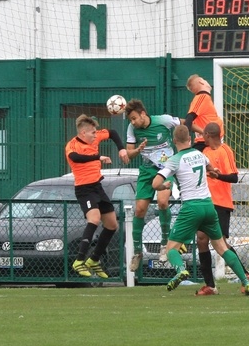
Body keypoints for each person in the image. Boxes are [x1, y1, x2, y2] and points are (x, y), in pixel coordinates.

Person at [152, 125, 249, 295]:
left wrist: (164, 185)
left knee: (171, 249)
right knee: (222, 247)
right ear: (190, 140)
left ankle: (180, 271)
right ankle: (246, 282)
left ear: (174, 141)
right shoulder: (200, 155)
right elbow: (212, 170)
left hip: (191, 207)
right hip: (208, 205)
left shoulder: (174, 160)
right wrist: (215, 172)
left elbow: (155, 183)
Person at [65, 114, 129, 278]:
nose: (95, 135)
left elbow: (113, 133)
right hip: (84, 189)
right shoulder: (72, 145)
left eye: (95, 132)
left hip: (97, 187)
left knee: (112, 224)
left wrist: (121, 148)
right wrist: (98, 157)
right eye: (92, 133)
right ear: (83, 133)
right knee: (94, 219)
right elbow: (76, 158)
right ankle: (79, 261)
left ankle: (94, 259)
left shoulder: (95, 137)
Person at [123, 99, 182, 271]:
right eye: (130, 120)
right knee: (140, 209)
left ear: (143, 113)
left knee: (163, 203)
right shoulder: (132, 128)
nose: (133, 122)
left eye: (134, 118)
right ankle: (137, 252)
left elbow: (184, 124)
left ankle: (164, 244)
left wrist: (200, 131)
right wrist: (137, 150)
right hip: (147, 171)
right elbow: (129, 154)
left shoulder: (163, 120)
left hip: (166, 168)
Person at [196, 122, 242, 295]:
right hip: (206, 202)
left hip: (222, 203)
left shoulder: (225, 150)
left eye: (203, 134)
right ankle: (210, 285)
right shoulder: (204, 152)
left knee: (221, 244)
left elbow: (234, 177)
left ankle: (245, 274)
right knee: (201, 239)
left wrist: (218, 176)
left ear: (208, 135)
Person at [185, 74, 223, 151]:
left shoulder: (205, 98)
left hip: (210, 143)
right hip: (205, 144)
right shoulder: (202, 97)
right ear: (201, 82)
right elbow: (189, 118)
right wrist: (186, 139)